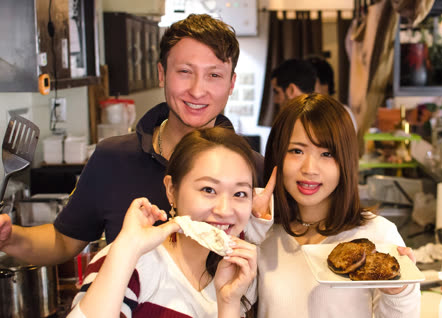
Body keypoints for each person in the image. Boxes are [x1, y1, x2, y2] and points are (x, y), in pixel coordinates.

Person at [0, 14, 270, 266]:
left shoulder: (253, 172)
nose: (198, 90)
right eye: (185, 72)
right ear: (162, 73)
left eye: (214, 75)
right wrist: (10, 238)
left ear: (231, 83)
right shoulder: (113, 158)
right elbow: (63, 240)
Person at [256, 93, 421, 317]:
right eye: (297, 151)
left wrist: (398, 291)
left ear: (346, 161)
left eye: (327, 153)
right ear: (277, 155)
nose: (310, 168)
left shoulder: (378, 235)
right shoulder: (260, 236)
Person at [68, 127, 260, 318]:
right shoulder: (131, 261)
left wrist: (229, 303)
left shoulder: (236, 277)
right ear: (171, 190)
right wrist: (127, 249)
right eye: (208, 190)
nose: (225, 210)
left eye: (240, 193)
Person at [306, 55, 358, 132]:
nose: (305, 89)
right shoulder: (304, 112)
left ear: (325, 84)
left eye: (309, 82)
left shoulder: (342, 114)